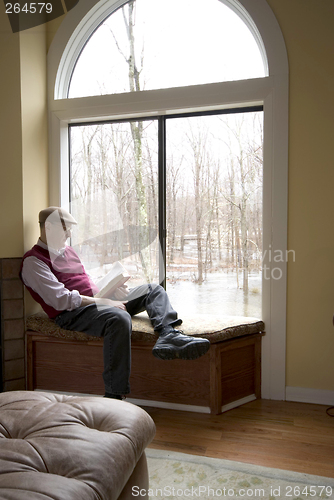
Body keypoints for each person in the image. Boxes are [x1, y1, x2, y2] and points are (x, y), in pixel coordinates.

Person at [20, 207, 210, 400]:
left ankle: (169, 335)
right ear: (48, 228)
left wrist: (113, 288)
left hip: (97, 300)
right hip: (72, 313)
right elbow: (61, 299)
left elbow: (88, 281)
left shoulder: (69, 251)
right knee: (119, 318)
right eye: (65, 229)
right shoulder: (33, 261)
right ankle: (114, 394)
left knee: (152, 289)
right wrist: (104, 301)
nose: (69, 234)